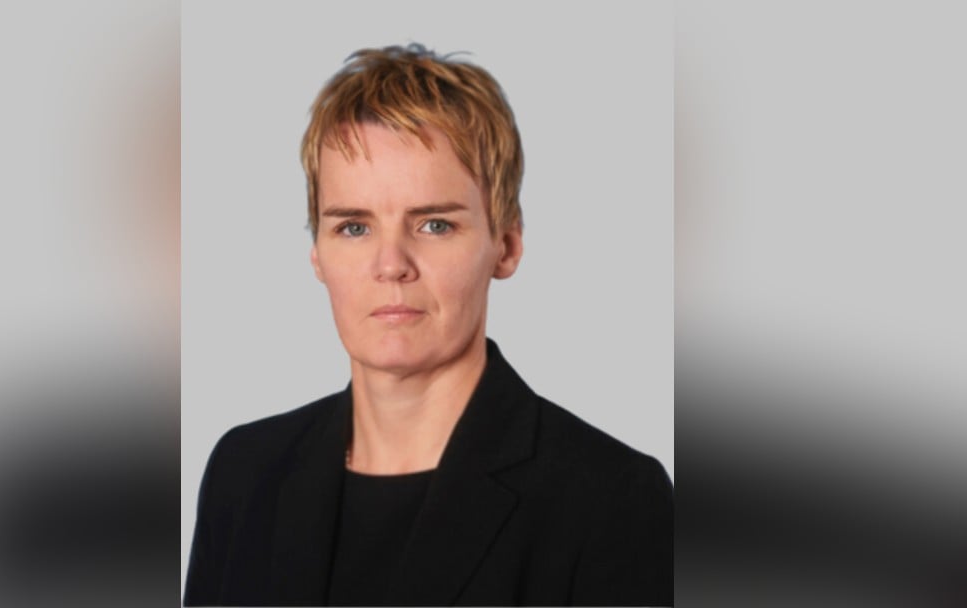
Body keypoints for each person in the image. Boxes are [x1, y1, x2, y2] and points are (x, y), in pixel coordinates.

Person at [184, 43, 673, 606]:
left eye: (435, 224)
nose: (391, 264)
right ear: (316, 253)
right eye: (353, 227)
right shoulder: (245, 473)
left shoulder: (610, 498)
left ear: (506, 245)